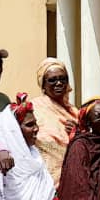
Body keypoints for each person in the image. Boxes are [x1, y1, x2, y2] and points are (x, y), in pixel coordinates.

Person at [33, 58, 78, 186]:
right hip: (42, 182)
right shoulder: (34, 109)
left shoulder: (75, 113)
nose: (58, 83)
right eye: (52, 80)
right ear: (43, 85)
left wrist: (77, 132)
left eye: (63, 79)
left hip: (72, 182)